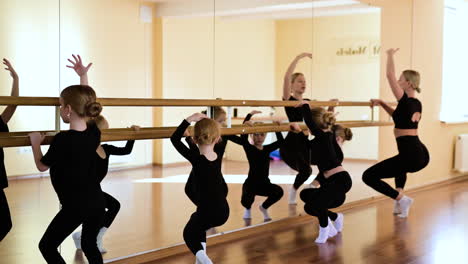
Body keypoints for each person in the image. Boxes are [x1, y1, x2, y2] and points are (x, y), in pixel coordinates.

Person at [362, 48, 429, 218]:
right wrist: (383, 103)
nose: (398, 81)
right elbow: (399, 117)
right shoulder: (415, 103)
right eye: (399, 79)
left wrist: (390, 55)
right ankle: (400, 203)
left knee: (368, 176)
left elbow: (389, 75)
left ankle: (402, 199)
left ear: (409, 83)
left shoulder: (405, 101)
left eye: (401, 79)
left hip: (412, 153)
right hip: (418, 152)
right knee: (400, 166)